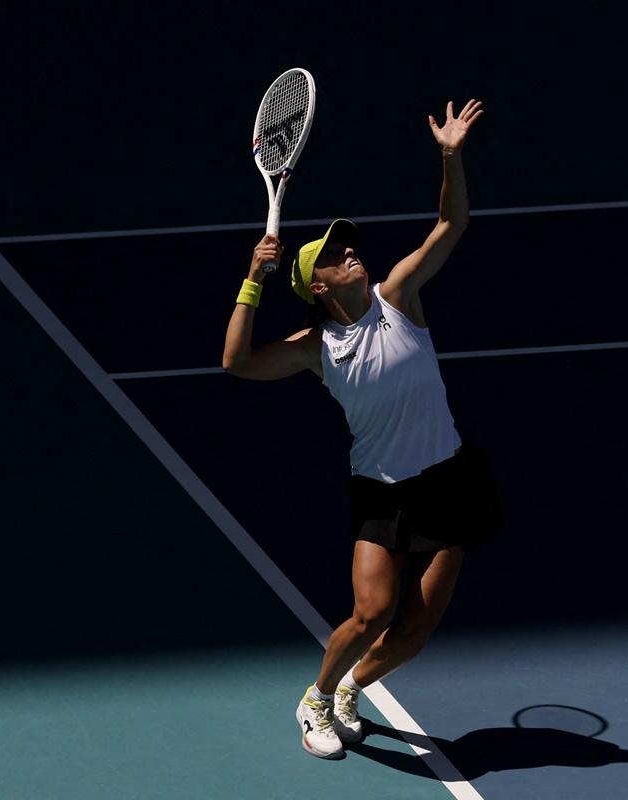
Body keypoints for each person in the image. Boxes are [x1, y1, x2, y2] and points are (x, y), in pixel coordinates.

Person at [222, 99, 499, 760]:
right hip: (381, 492)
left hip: (449, 477)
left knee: (416, 629)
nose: (351, 254)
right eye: (335, 254)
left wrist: (451, 157)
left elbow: (451, 222)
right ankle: (316, 697)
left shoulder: (399, 294)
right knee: (371, 613)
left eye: (349, 247)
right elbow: (235, 363)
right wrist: (251, 281)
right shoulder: (314, 347)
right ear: (317, 285)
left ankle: (352, 689)